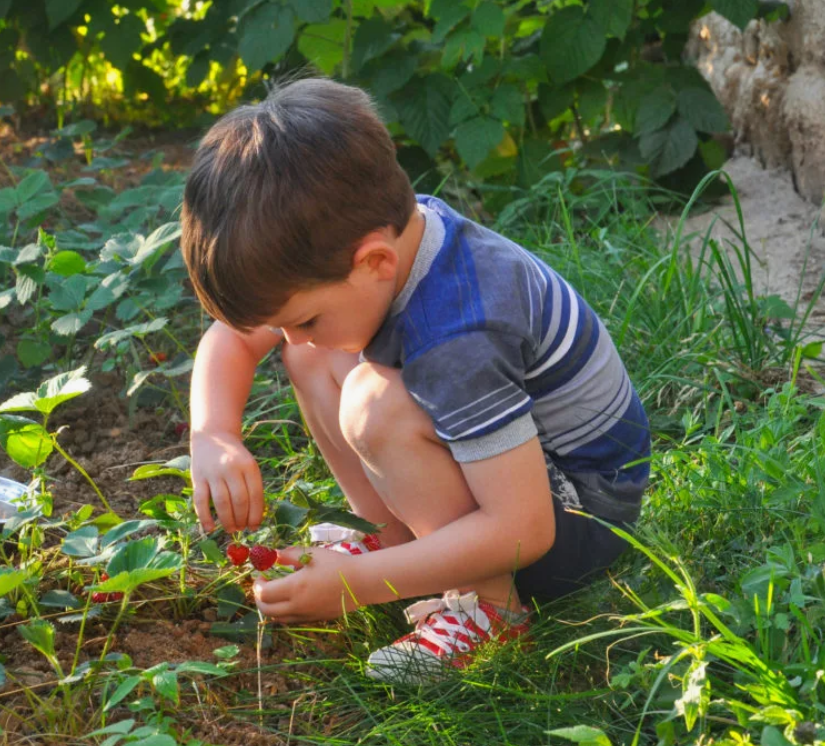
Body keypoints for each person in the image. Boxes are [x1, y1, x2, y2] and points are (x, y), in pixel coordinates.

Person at [180, 77, 651, 684]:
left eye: (304, 318)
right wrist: (213, 432)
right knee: (314, 360)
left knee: (376, 406)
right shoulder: (387, 235)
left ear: (375, 262)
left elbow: (524, 527)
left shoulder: (460, 335)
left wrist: (355, 587)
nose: (290, 335)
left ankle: (491, 608)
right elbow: (238, 336)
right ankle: (393, 537)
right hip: (524, 479)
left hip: (578, 518)